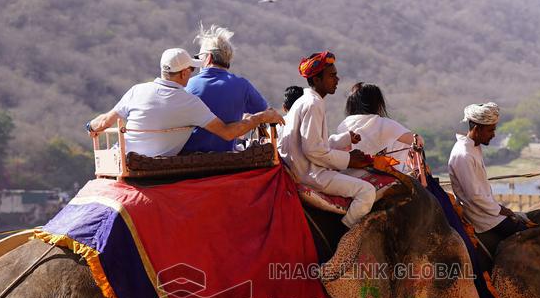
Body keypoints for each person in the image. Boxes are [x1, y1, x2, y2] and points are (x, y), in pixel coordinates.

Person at [86, 48, 281, 157]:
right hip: (154, 164)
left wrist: (90, 126)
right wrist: (262, 117)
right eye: (191, 70)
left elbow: (102, 123)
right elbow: (228, 133)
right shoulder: (189, 103)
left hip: (119, 158)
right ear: (183, 73)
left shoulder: (137, 90)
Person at [277, 51, 374, 228]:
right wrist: (349, 160)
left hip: (305, 170)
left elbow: (313, 144)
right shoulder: (313, 104)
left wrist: (345, 139)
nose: (337, 79)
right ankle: (345, 236)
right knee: (367, 191)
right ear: (316, 80)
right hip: (311, 175)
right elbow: (312, 150)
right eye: (332, 75)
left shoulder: (307, 101)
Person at [447, 102, 529, 255]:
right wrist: (500, 210)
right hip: (482, 218)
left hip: (488, 211)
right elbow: (474, 196)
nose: (493, 134)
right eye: (490, 130)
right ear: (477, 129)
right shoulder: (464, 155)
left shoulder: (473, 146)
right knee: (528, 237)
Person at [181, 25, 274, 153]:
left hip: (189, 161)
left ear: (208, 58)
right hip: (226, 160)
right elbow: (267, 112)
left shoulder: (187, 85)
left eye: (198, 57)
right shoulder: (243, 85)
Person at [337, 82, 416, 171]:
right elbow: (417, 141)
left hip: (347, 174)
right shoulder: (383, 123)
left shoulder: (343, 125)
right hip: (377, 174)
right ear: (377, 103)